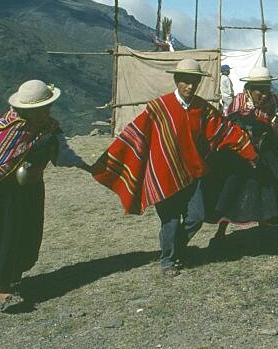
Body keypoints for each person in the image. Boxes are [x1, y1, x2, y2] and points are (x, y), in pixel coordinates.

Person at [89, 59, 259, 276]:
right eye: (186, 81)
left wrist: (249, 152)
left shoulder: (201, 108)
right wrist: (110, 162)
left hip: (192, 172)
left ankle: (176, 248)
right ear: (177, 81)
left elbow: (223, 130)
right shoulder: (159, 108)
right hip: (165, 174)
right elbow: (136, 135)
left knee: (196, 216)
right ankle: (168, 261)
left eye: (194, 82)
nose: (190, 86)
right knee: (169, 220)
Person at [0, 79, 88, 312]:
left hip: (30, 192)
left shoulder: (48, 129)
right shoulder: (8, 132)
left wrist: (87, 166)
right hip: (3, 196)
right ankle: (4, 290)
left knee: (25, 234)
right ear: (27, 110)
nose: (47, 112)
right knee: (5, 238)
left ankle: (7, 279)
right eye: (42, 109)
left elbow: (63, 154)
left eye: (47, 108)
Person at [203, 63, 278, 245]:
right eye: (259, 91)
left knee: (272, 186)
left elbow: (274, 126)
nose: (263, 95)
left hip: (265, 151)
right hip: (239, 153)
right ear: (250, 89)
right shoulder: (238, 102)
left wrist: (276, 149)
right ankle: (221, 229)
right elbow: (230, 128)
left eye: (266, 90)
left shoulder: (271, 100)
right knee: (232, 189)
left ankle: (269, 225)